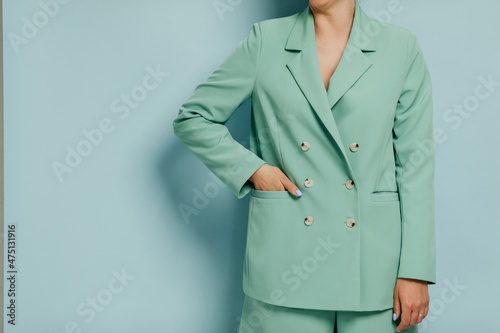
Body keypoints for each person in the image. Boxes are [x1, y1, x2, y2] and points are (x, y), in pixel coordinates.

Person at [172, 0, 436, 332]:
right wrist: (253, 170)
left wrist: (415, 271)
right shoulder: (266, 40)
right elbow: (194, 119)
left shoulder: (400, 47)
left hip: (375, 267)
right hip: (287, 261)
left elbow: (415, 165)